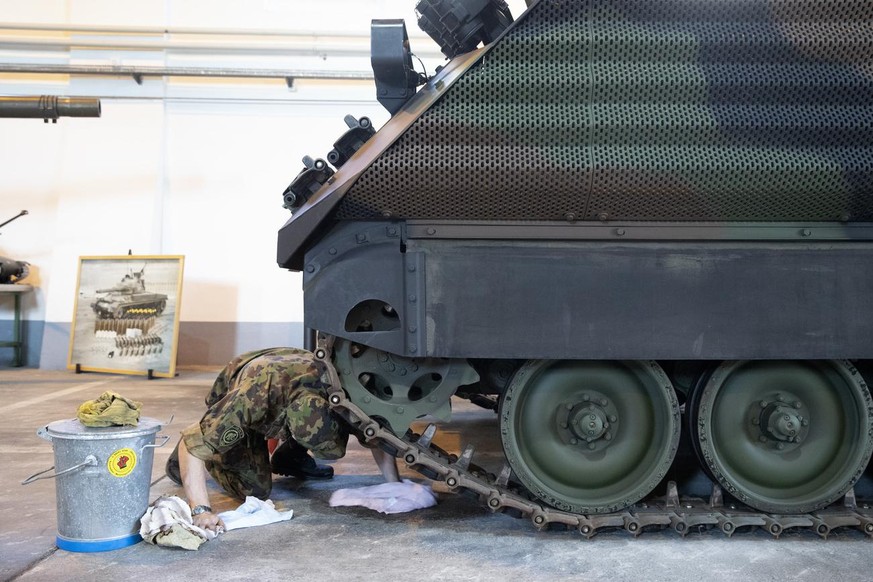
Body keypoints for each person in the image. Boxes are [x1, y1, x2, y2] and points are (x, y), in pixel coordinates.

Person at [165, 347, 399, 532]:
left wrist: (394, 485)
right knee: (255, 490)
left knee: (310, 427)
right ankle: (203, 429)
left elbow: (376, 435)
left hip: (286, 365)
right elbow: (193, 450)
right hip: (247, 380)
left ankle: (288, 459)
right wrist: (201, 511)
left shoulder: (343, 394)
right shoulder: (254, 398)